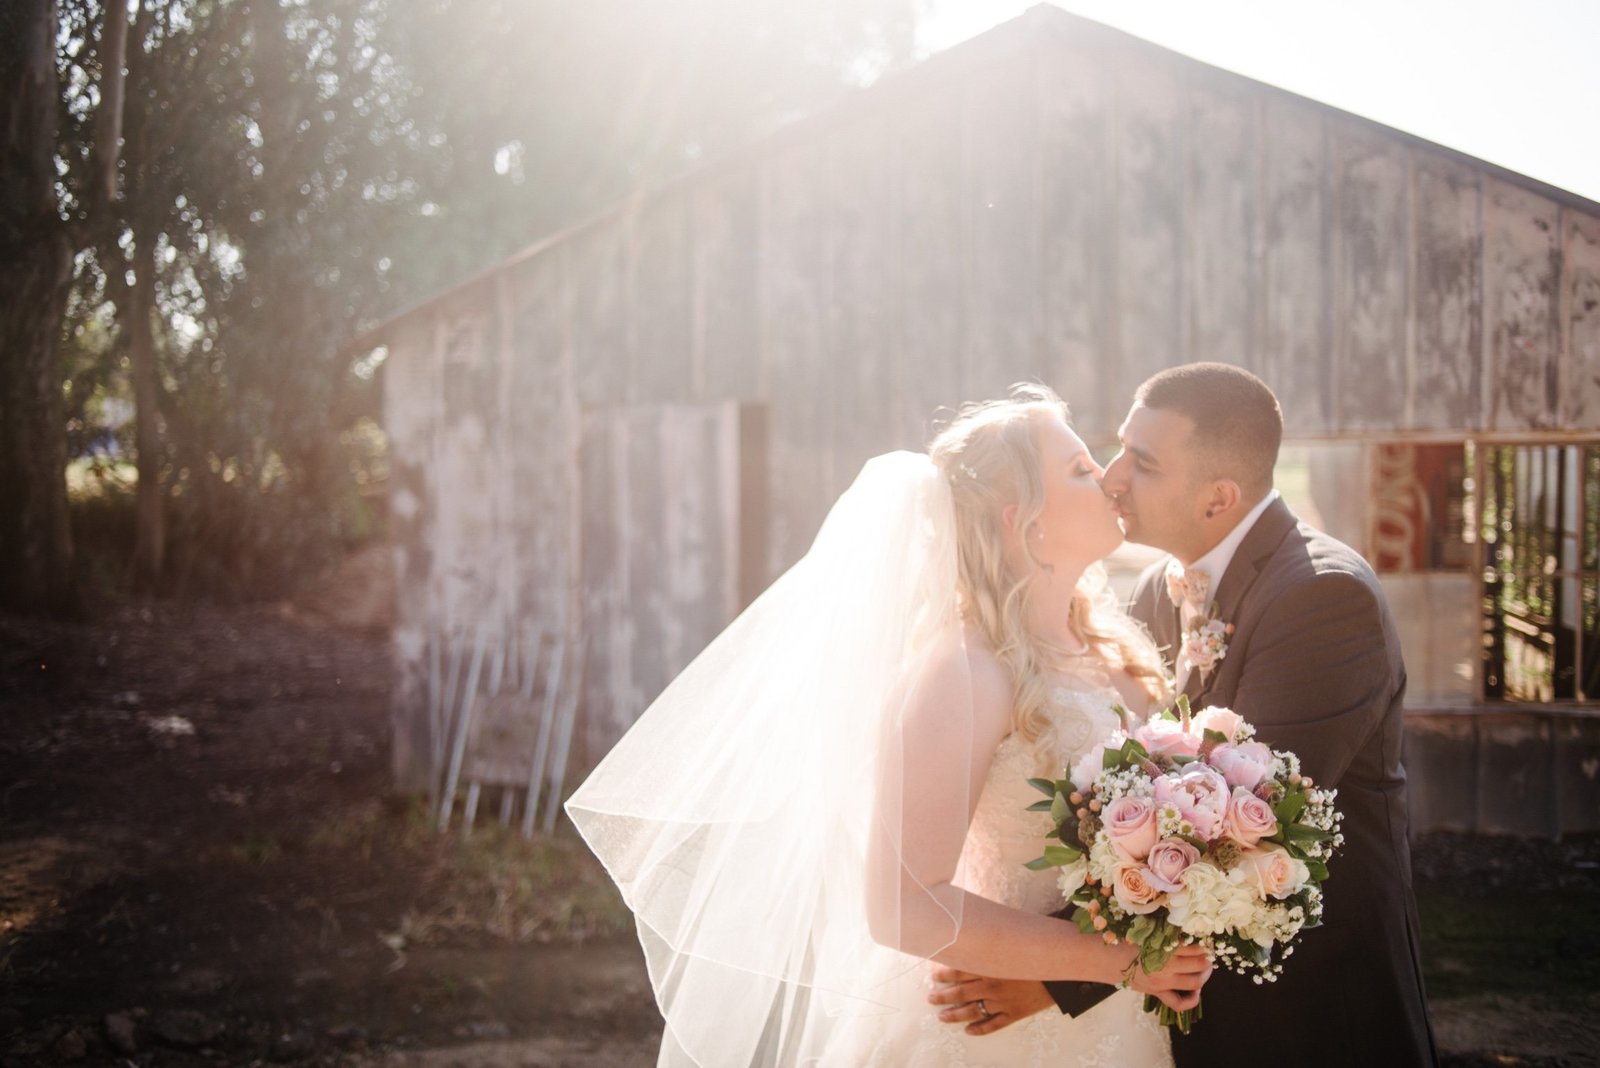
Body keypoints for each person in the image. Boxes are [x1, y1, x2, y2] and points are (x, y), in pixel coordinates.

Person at [566, 385, 1211, 1066]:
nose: (1109, 478)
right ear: (1022, 519)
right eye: (1082, 470)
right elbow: (903, 903)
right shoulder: (966, 672)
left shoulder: (1116, 647)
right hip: (1002, 1035)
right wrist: (1111, 960)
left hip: (1118, 1021)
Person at [928, 364, 1439, 1066]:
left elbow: (1234, 830)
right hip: (1169, 1011)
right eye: (1111, 453)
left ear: (1218, 497)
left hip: (1309, 1016)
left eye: (1141, 462)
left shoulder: (1323, 597)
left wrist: (1054, 978)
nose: (1113, 477)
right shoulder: (1151, 593)